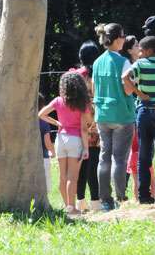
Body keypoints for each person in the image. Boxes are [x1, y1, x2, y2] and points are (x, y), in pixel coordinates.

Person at [122, 36, 155, 203]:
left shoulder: (140, 64)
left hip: (143, 112)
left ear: (149, 50)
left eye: (142, 50)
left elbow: (125, 77)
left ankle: (144, 195)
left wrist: (140, 94)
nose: (139, 53)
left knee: (145, 154)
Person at [92, 23, 136, 211]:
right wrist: (135, 87)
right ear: (117, 38)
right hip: (121, 114)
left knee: (104, 158)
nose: (125, 40)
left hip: (102, 114)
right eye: (123, 36)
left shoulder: (97, 62)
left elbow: (93, 89)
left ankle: (105, 200)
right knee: (119, 158)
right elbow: (127, 88)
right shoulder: (123, 62)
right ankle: (120, 197)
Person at [39, 72, 91, 214]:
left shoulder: (58, 100)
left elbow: (41, 114)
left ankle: (66, 206)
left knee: (63, 177)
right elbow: (85, 128)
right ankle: (71, 208)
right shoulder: (82, 104)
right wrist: (86, 149)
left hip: (60, 139)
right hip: (76, 141)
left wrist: (56, 122)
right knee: (72, 178)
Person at [120, 35, 155, 201]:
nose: (138, 48)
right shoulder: (131, 66)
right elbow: (127, 87)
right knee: (138, 153)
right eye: (135, 45)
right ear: (129, 50)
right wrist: (141, 95)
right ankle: (142, 194)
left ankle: (146, 193)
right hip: (135, 113)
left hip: (138, 113)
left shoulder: (140, 64)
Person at [72, 41, 102, 212]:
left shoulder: (75, 75)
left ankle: (80, 201)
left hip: (77, 123)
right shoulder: (97, 73)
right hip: (95, 121)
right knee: (95, 161)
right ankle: (96, 201)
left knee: (81, 163)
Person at [38, 93, 56, 192]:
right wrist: (53, 152)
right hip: (43, 156)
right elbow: (47, 142)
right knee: (46, 180)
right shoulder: (43, 122)